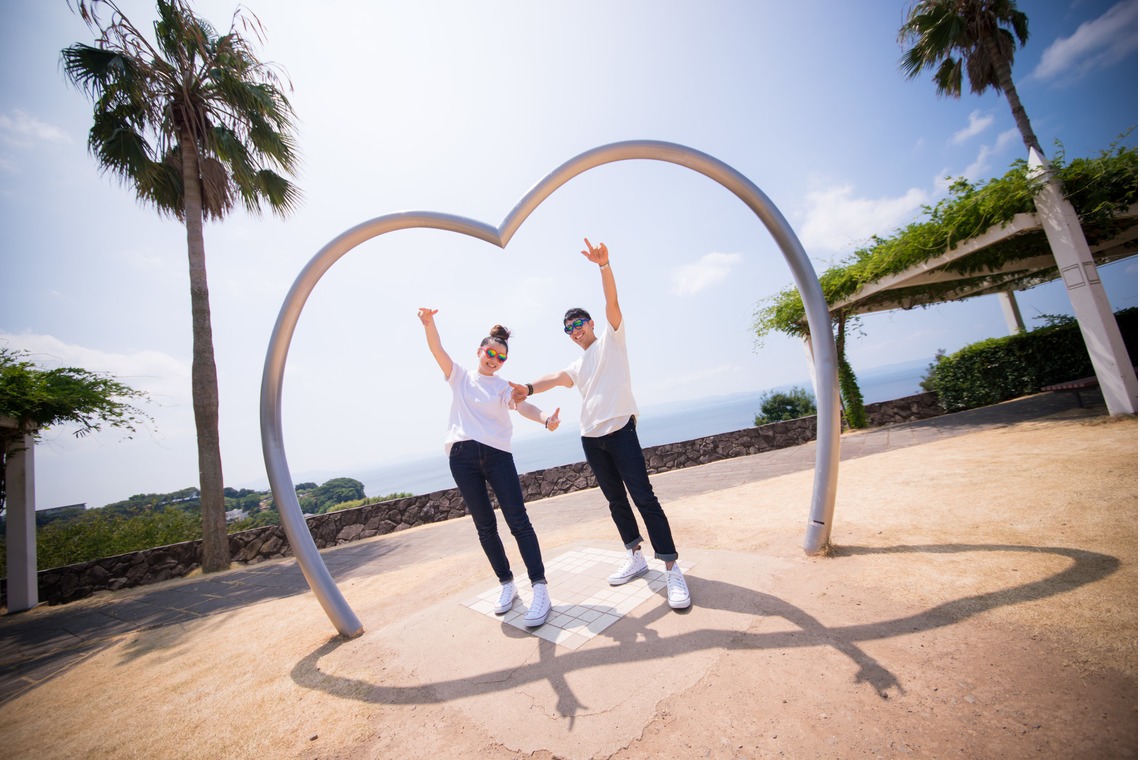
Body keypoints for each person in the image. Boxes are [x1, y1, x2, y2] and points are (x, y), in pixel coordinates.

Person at [509, 239, 691, 610]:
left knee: (644, 497)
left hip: (620, 431)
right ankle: (635, 556)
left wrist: (604, 267)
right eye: (568, 329)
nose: (575, 330)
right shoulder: (578, 365)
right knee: (615, 500)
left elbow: (613, 304)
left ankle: (672, 568)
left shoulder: (612, 340)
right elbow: (556, 377)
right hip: (592, 439)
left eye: (578, 323)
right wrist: (527, 387)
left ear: (590, 323)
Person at [418, 308, 561, 627]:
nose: (494, 359)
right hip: (462, 457)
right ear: (479, 352)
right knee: (485, 526)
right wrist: (430, 324)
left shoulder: (502, 386)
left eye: (500, 357)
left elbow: (523, 405)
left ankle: (540, 587)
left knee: (518, 521)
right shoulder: (460, 376)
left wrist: (545, 420)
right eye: (490, 353)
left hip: (497, 456)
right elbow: (437, 349)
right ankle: (507, 584)